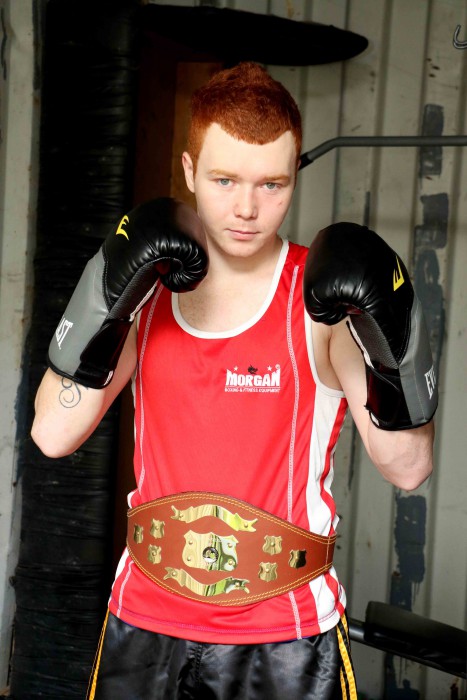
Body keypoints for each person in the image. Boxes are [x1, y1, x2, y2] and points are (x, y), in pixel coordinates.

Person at [31, 62, 437, 700]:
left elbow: (409, 469)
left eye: (272, 184)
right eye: (224, 180)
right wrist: (101, 303)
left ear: (294, 175)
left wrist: (394, 345)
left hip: (285, 634)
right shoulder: (147, 292)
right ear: (189, 169)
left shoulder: (321, 305)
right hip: (144, 618)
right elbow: (52, 436)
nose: (247, 209)